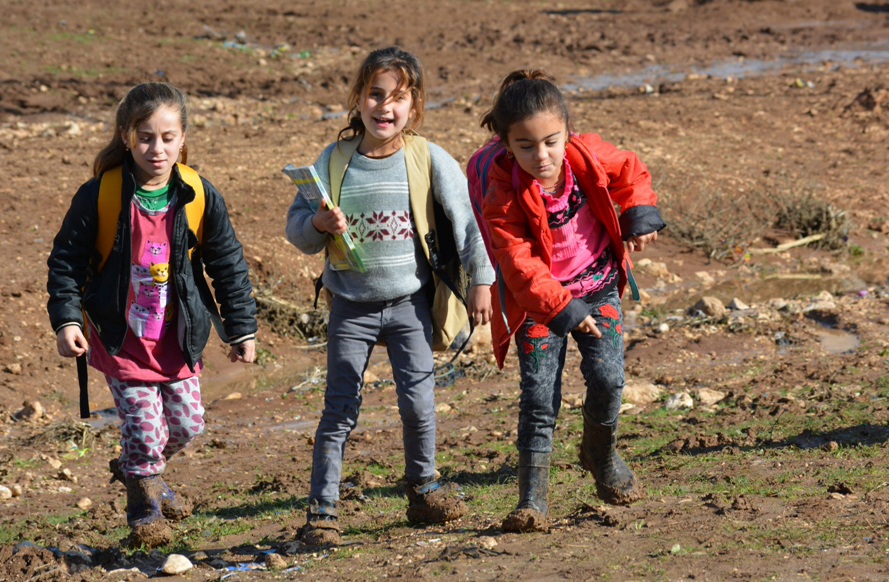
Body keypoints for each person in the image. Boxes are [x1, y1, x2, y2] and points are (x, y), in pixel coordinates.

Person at [285, 46, 494, 544]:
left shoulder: (427, 157)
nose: (385, 107)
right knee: (339, 407)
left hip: (410, 306)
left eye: (398, 98)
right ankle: (323, 512)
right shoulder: (333, 161)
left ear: (414, 107)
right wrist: (318, 221)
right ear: (357, 100)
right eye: (375, 95)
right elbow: (298, 229)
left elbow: (467, 225)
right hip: (350, 308)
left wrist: (481, 281)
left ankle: (424, 489)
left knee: (419, 404)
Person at [46, 82, 258, 548]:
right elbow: (66, 260)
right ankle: (144, 508)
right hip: (120, 337)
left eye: (167, 137)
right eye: (145, 137)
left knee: (186, 425)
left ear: (183, 138)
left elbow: (227, 263)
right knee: (144, 427)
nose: (155, 148)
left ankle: (137, 469)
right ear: (125, 136)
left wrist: (241, 326)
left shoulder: (199, 194)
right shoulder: (99, 195)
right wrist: (67, 320)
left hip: (177, 337)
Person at [476, 70, 666, 533]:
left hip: (598, 285)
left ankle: (600, 454)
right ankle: (532, 500)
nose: (541, 155)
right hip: (540, 305)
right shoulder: (501, 192)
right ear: (505, 144)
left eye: (550, 141)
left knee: (609, 378)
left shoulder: (586, 153)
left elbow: (630, 171)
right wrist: (560, 308)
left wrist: (638, 213)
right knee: (540, 398)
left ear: (567, 131)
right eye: (525, 146)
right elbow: (517, 261)